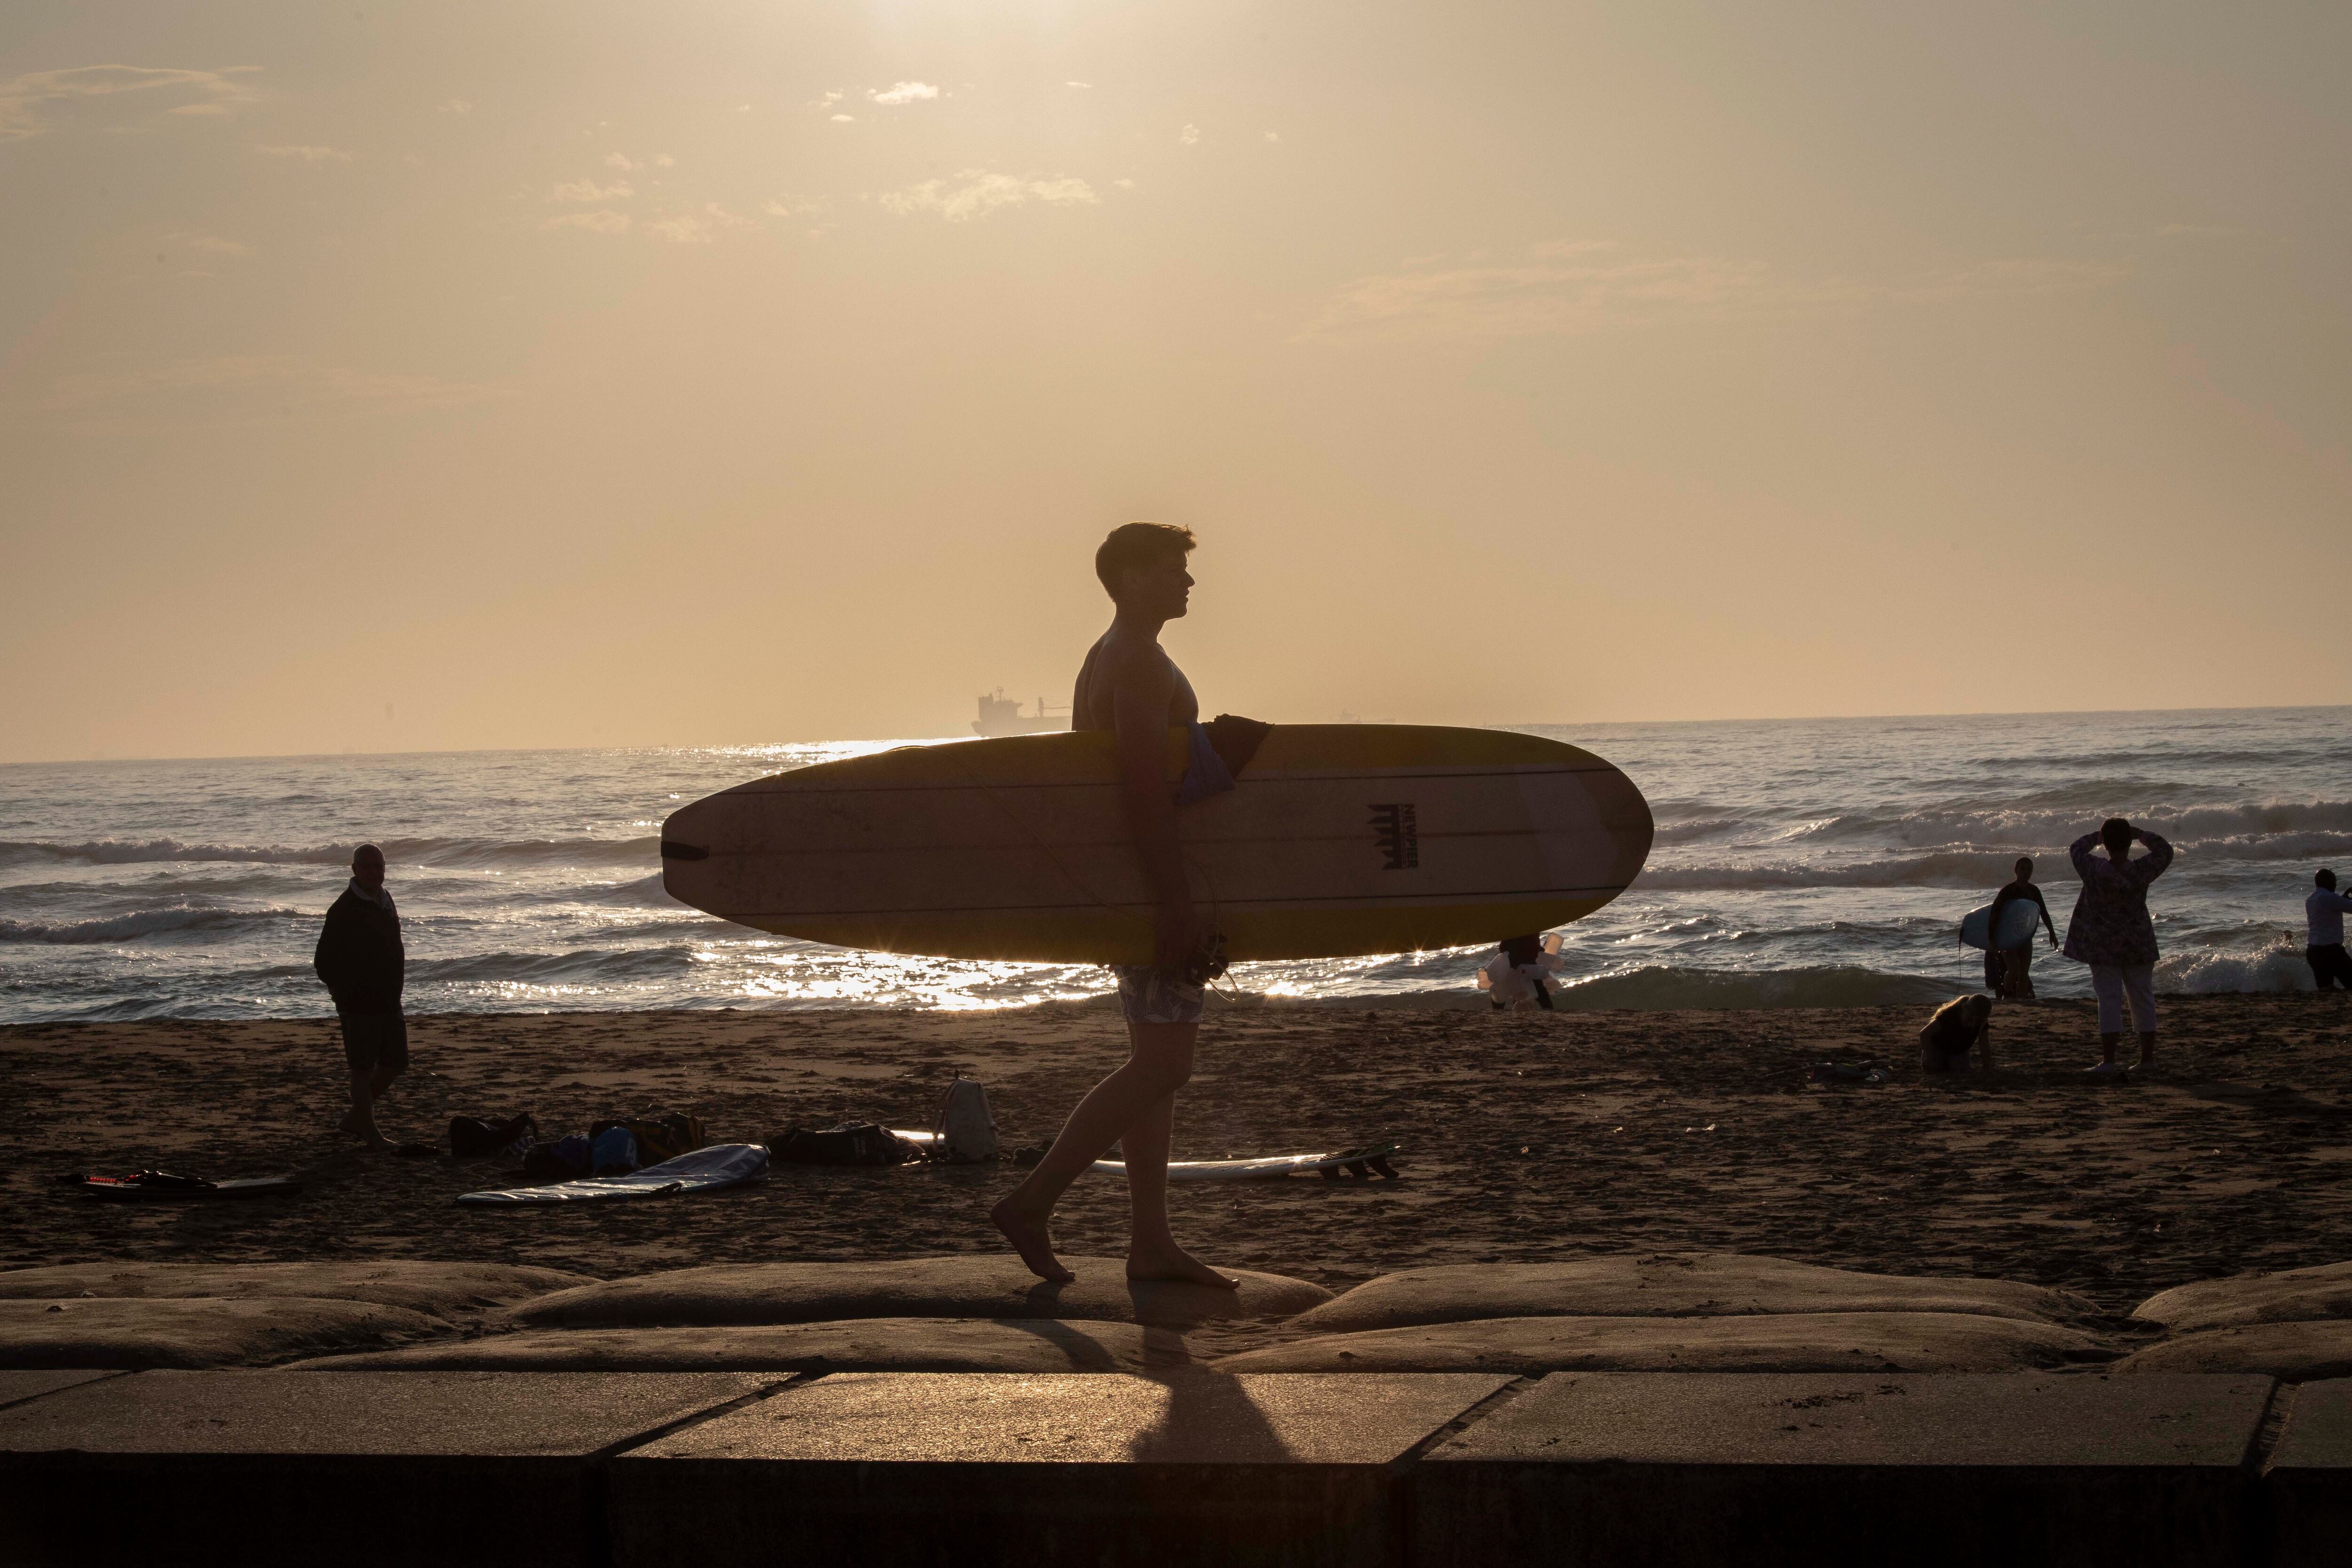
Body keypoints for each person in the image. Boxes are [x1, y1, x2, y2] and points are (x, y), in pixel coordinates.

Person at [990, 523, 1235, 1289]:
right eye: (1172, 570)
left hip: (1124, 884)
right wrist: (1172, 900)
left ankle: (1151, 1241)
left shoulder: (1113, 652)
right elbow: (1136, 785)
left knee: (1153, 1066)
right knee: (1165, 1063)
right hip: (1144, 886)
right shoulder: (1135, 660)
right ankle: (1033, 1201)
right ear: (1130, 576)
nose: (1188, 582)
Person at [313, 844, 408, 1149]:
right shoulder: (343, 909)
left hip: (389, 999)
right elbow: (323, 962)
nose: (375, 872)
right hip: (359, 1004)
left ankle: (356, 1117)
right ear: (354, 870)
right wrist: (344, 993)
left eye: (379, 866)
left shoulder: (385, 899)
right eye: (368, 866)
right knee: (362, 1068)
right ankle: (370, 1132)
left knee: (396, 1062)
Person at [2062, 816, 2172, 1076]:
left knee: (2109, 1000)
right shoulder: (2140, 870)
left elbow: (2076, 848)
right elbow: (2165, 851)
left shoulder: (2094, 869)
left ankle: (2110, 1061)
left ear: (2107, 845)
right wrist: (2141, 834)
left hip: (2103, 945)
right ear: (2128, 843)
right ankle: (2147, 1059)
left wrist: (2098, 837)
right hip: (2138, 942)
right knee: (2143, 998)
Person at [1986, 856, 2060, 999]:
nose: (2026, 872)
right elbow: (1995, 914)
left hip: (2025, 937)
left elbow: (2043, 912)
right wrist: (1992, 938)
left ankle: (2021, 1003)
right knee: (2013, 970)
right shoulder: (2007, 891)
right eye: (2023, 868)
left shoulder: (2034, 891)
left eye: (2029, 869)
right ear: (2016, 871)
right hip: (2008, 937)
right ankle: (2006, 994)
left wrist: (2052, 933)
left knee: (2024, 973)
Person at [1919, 992, 1993, 1073]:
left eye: (1978, 1021)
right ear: (1964, 1008)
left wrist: (1987, 1069)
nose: (1973, 1024)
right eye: (1970, 1019)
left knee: (1962, 1072)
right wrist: (1930, 1055)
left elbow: (1984, 1045)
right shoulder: (1949, 1016)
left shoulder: (1982, 1023)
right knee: (1935, 1069)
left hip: (1960, 1051)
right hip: (1938, 1049)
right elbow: (1924, 1034)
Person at [2307, 869, 2352, 992]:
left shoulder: (2311, 899)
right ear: (2328, 882)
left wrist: (2343, 900)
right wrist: (2343, 901)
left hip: (2313, 952)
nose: (2336, 885)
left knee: (2326, 990)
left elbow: (2329, 908)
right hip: (2331, 952)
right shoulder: (2331, 898)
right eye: (2334, 882)